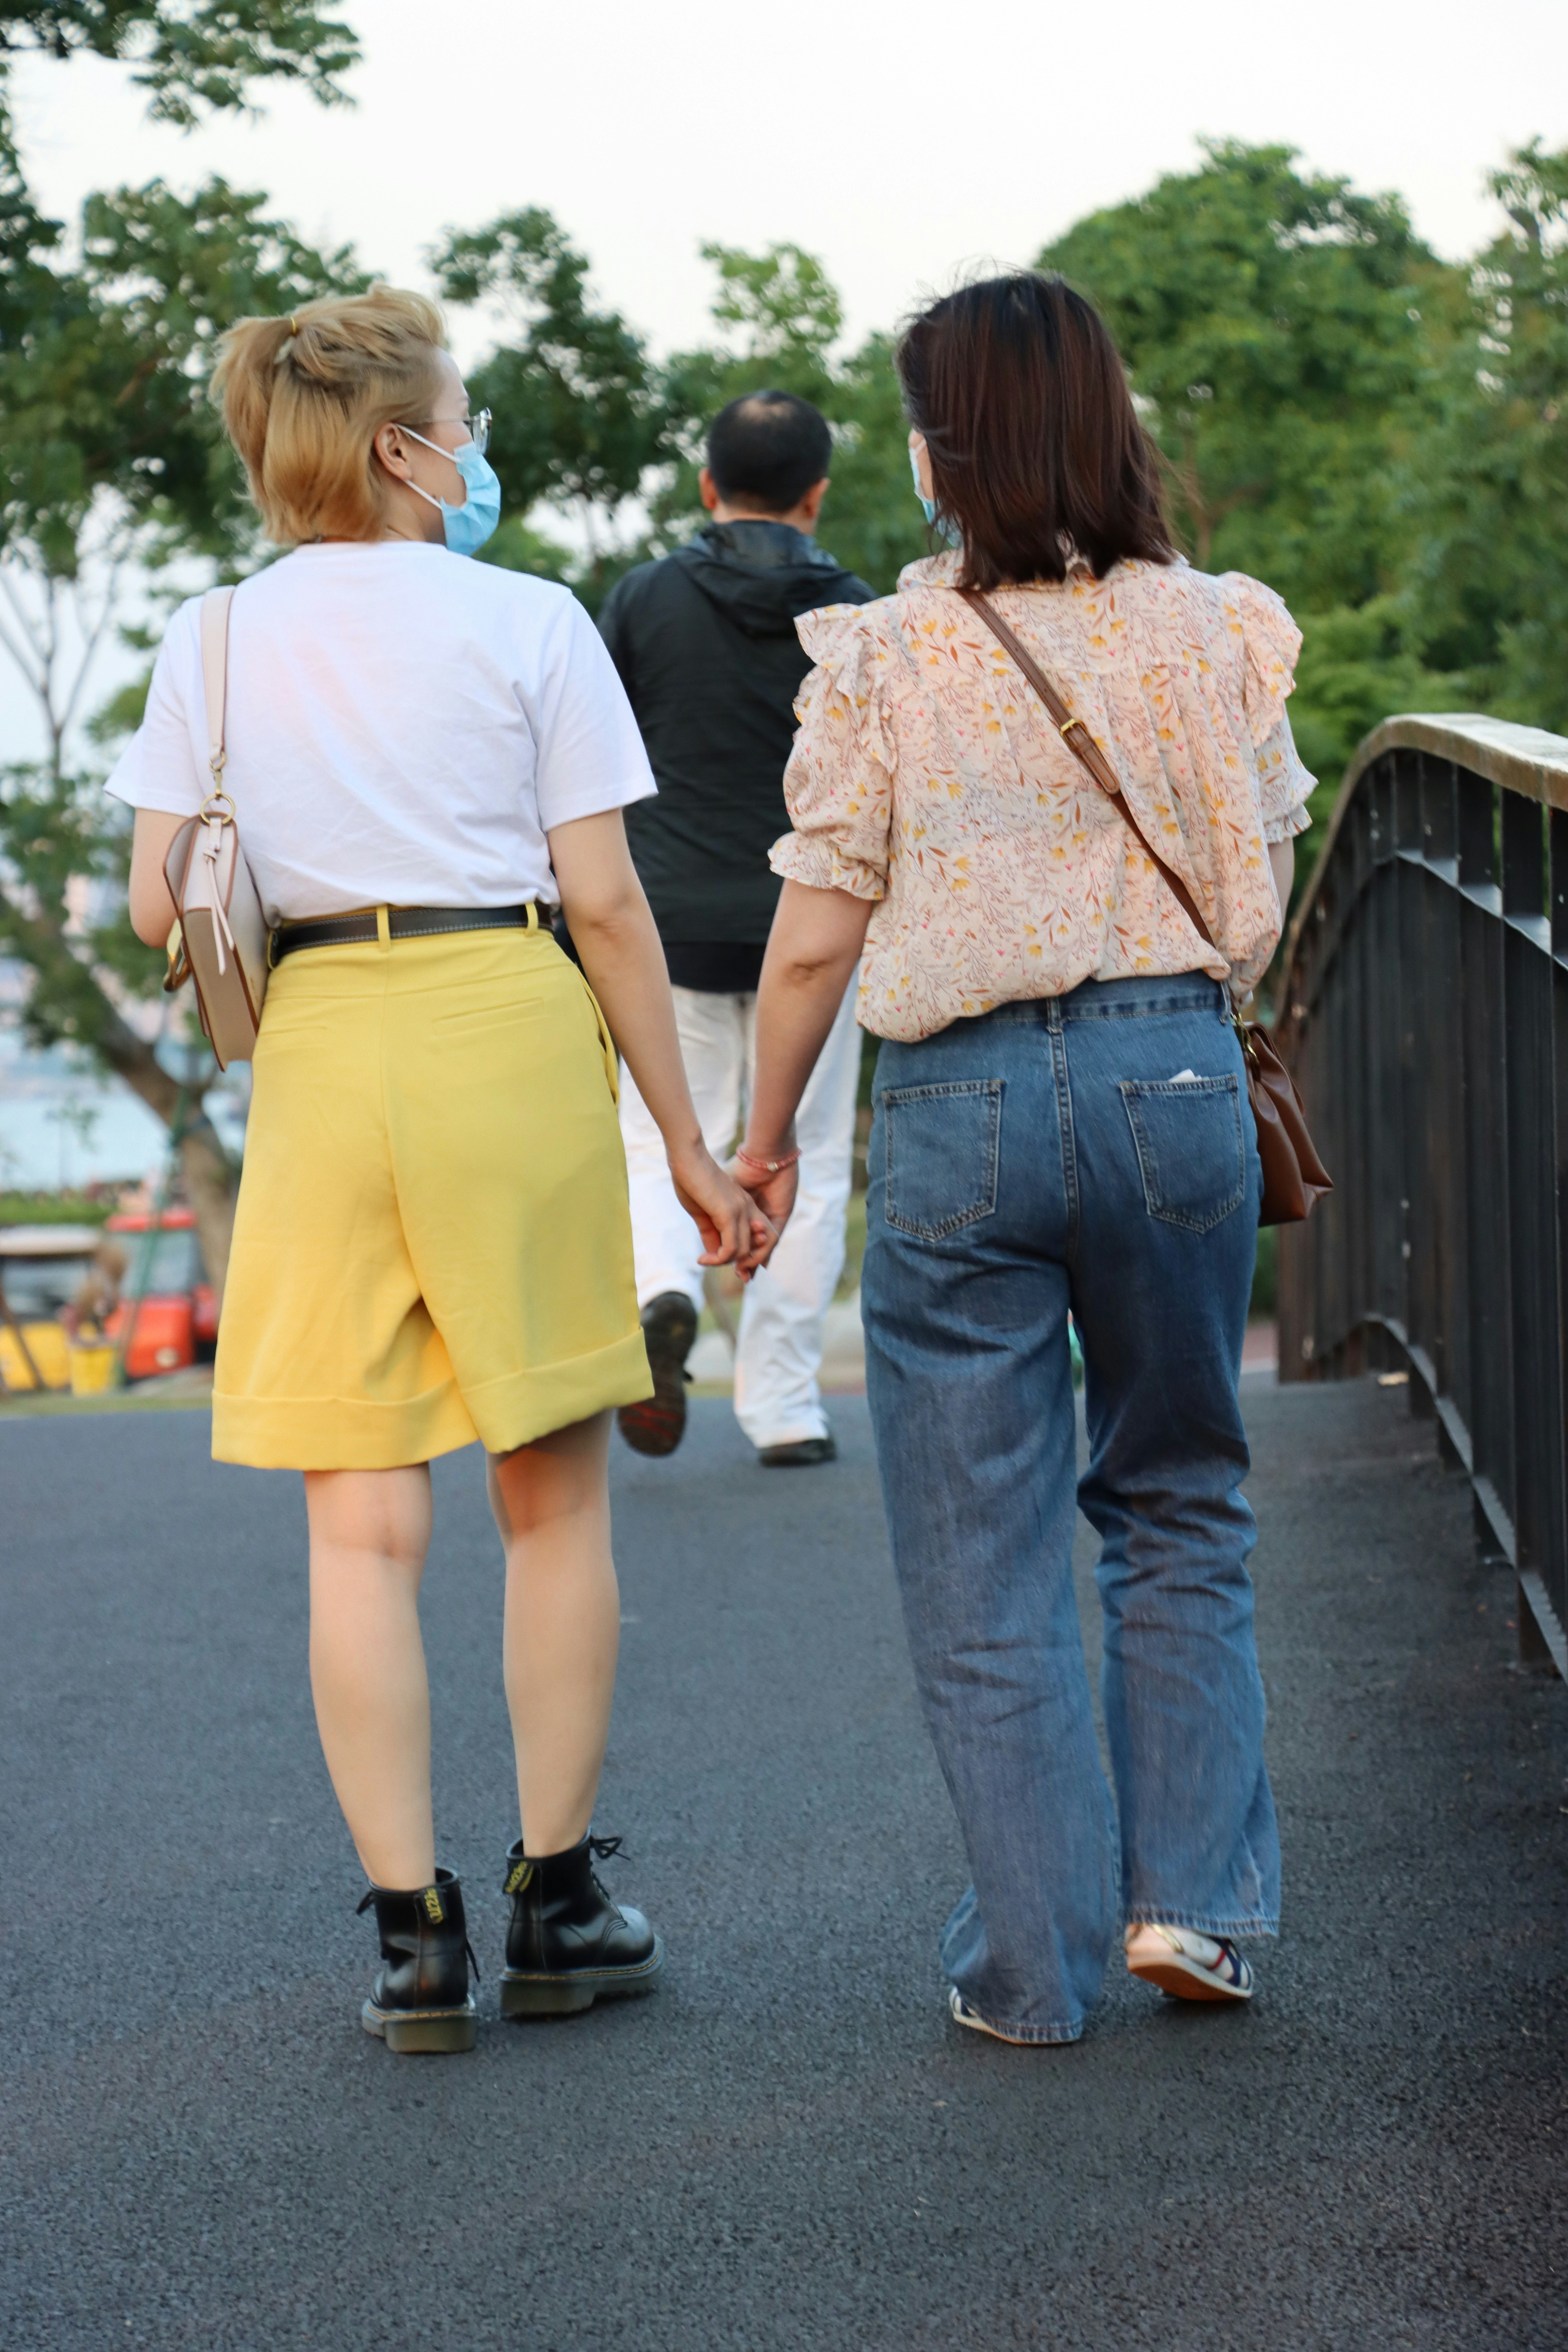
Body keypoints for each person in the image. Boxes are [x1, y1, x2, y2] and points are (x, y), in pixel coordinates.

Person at [112, 288, 772, 2056]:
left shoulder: (218, 640)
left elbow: (153, 899)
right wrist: (693, 1156)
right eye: (462, 422)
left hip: (323, 1045)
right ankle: (559, 1899)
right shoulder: (529, 620)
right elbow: (610, 902)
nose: (474, 450)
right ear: (405, 444)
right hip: (502, 1013)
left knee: (359, 1517)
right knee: (546, 1490)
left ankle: (411, 1939)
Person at [737, 273, 1313, 2045]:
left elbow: (821, 935)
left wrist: (760, 1144)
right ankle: (1195, 1912)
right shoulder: (1215, 632)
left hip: (960, 1104)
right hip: (1172, 1082)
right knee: (1179, 1496)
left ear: (945, 448)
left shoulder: (890, 655)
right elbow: (1262, 874)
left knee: (981, 1553)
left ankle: (1032, 1967)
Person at [596, 391, 874, 1466]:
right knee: (804, 1152)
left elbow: (595, 764)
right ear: (817, 496)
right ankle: (786, 1405)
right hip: (817, 926)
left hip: (666, 926)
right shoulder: (856, 616)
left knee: (660, 1137)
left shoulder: (643, 600)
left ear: (708, 488)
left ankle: (664, 1292)